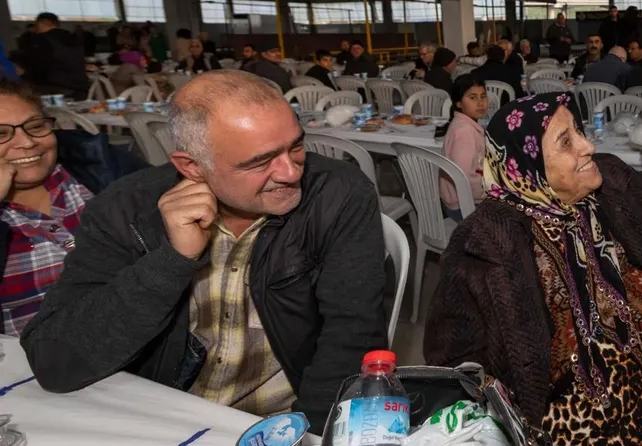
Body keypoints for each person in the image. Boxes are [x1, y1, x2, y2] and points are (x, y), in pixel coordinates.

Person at [20, 71, 386, 429]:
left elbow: (352, 333)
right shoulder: (124, 209)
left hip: (284, 420)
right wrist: (172, 260)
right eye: (260, 161)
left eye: (296, 146)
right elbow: (55, 362)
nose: (290, 172)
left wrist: (309, 433)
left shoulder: (338, 194)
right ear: (192, 167)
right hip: (164, 417)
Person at [424, 93, 642, 444]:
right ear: (529, 165)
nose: (588, 146)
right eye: (566, 142)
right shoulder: (486, 241)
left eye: (579, 131)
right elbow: (450, 355)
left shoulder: (609, 179)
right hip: (563, 411)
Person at [0, 81, 145, 336]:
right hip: (33, 370)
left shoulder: (100, 168)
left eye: (36, 127)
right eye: (1, 134)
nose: (27, 142)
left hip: (142, 356)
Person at [437, 77, 488, 221]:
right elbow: (464, 177)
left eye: (483, 96)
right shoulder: (465, 132)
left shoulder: (464, 123)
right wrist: (494, 191)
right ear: (458, 102)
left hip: (461, 198)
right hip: (463, 204)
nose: (480, 103)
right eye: (473, 97)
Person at [25, 13, 89, 100]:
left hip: (53, 87)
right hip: (79, 86)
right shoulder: (72, 37)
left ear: (41, 23)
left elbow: (38, 65)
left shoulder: (41, 40)